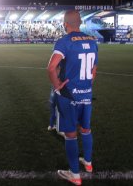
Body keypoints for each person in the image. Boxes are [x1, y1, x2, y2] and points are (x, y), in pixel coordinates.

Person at [47, 10, 98, 185]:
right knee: (86, 129)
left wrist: (57, 86)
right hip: (86, 94)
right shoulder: (92, 41)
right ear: (81, 22)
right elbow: (93, 70)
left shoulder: (64, 41)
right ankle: (89, 164)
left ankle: (75, 175)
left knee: (70, 134)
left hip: (69, 95)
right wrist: (87, 87)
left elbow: (51, 67)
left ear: (65, 23)